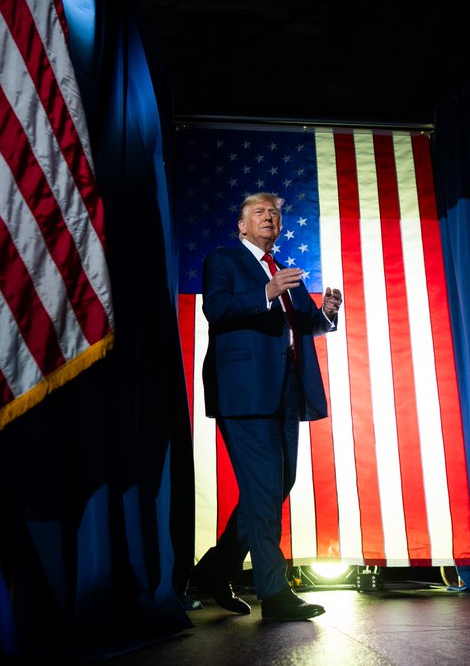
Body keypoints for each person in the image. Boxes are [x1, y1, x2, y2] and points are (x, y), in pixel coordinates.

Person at [189, 192, 343, 622]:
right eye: (259, 212)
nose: (269, 218)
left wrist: (327, 312)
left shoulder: (282, 268)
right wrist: (266, 291)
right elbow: (217, 309)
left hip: (287, 391)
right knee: (263, 492)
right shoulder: (224, 260)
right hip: (244, 392)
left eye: (274, 212)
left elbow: (305, 324)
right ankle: (274, 595)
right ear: (241, 225)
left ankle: (216, 568)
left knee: (278, 484)